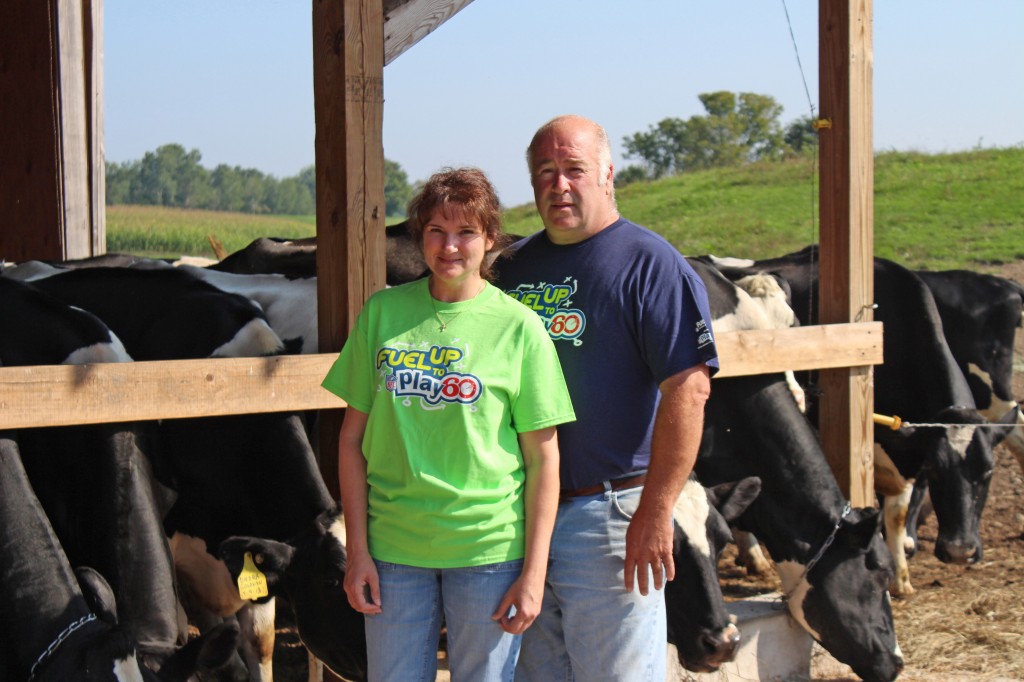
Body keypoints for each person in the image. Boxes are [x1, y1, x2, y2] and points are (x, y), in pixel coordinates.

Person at [321, 167, 575, 682]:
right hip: (393, 552)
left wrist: (533, 572)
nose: (450, 246)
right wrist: (357, 553)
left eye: (466, 232)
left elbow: (544, 457)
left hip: (489, 550)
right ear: (420, 238)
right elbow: (351, 441)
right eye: (436, 230)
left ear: (489, 239)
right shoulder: (383, 314)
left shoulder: (520, 327)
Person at [493, 115, 720, 681]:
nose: (559, 185)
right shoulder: (512, 267)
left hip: (611, 514)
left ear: (608, 174)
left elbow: (689, 389)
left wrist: (656, 509)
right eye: (546, 172)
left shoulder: (650, 263)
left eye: (574, 169)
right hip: (518, 517)